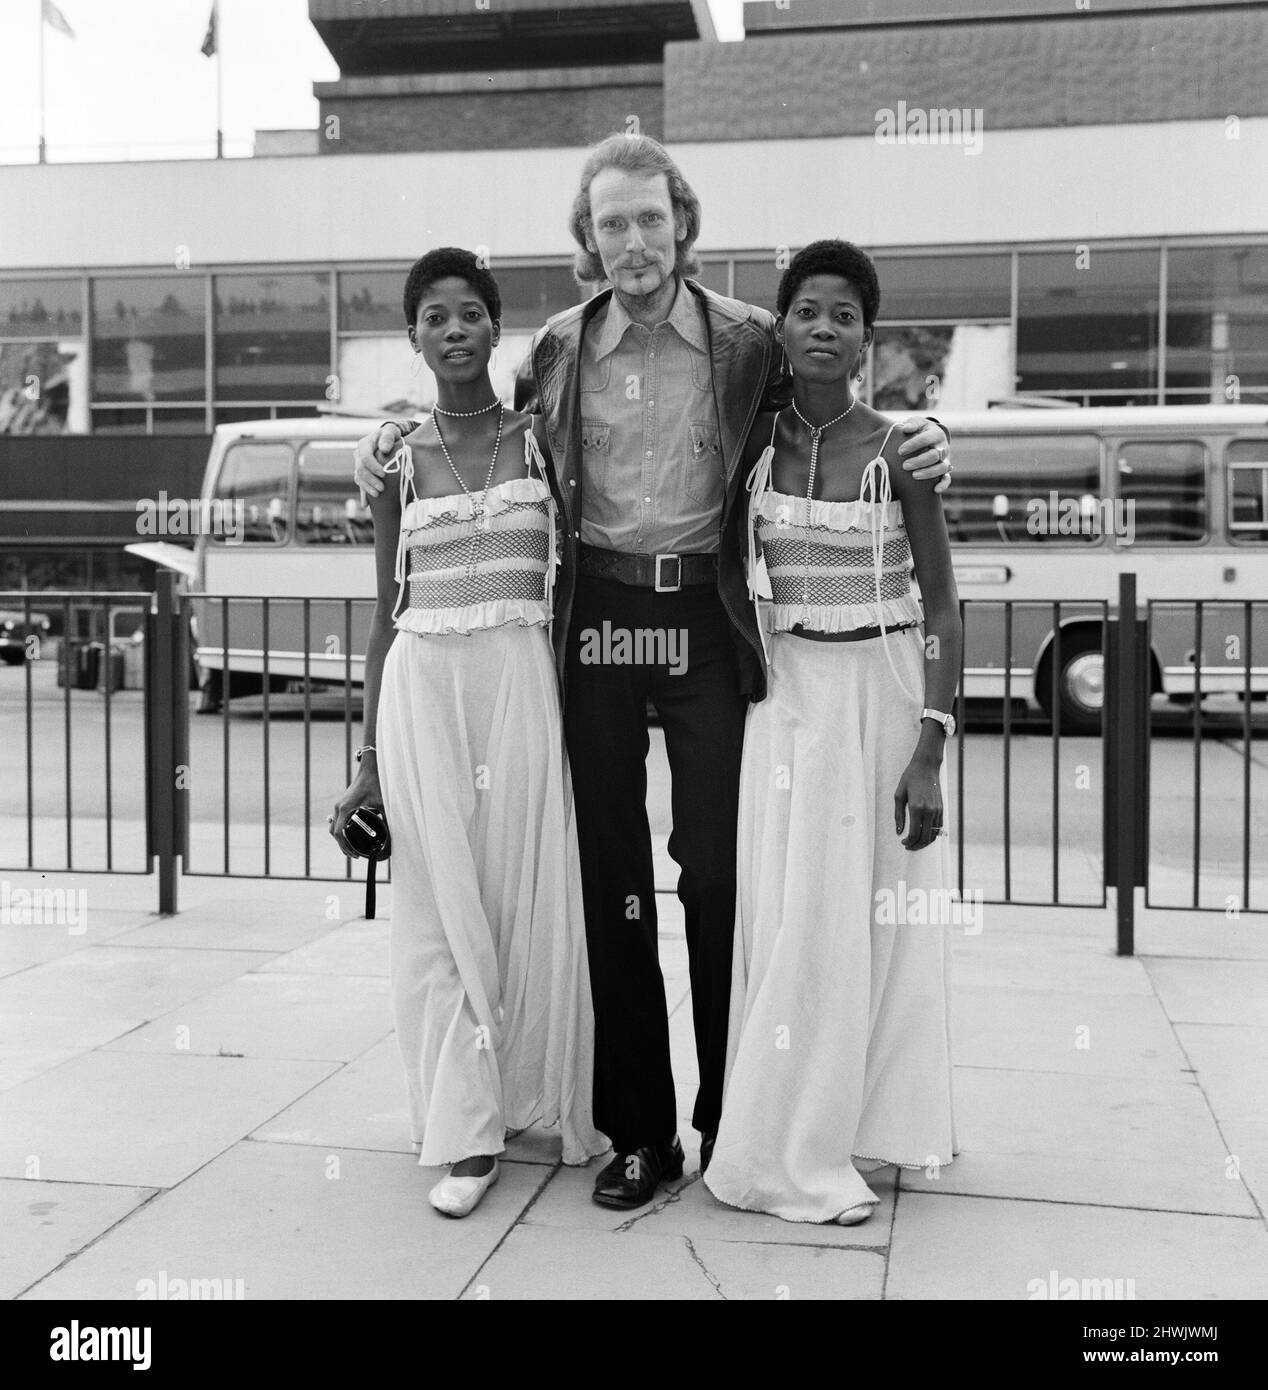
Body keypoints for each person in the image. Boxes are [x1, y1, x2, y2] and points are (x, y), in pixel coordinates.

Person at [353, 134, 952, 1211]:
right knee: (609, 877)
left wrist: (931, 437)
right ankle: (639, 1132)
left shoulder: (751, 340)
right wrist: (381, 438)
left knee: (719, 876)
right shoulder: (555, 349)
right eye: (611, 224)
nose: (632, 242)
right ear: (587, 241)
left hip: (705, 621)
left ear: (682, 227)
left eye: (649, 219)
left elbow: (836, 404)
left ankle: (730, 1118)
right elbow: (473, 425)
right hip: (597, 616)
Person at [330, 247, 607, 1220]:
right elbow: (385, 611)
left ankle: (527, 1098)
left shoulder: (543, 445)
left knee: (526, 904)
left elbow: (573, 586)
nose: (454, 330)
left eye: (470, 314)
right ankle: (467, 1130)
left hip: (521, 689)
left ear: (496, 327)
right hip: (423, 693)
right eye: (434, 317)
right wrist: (368, 761)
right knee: (439, 912)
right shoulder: (394, 460)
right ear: (412, 336)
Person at [704, 240, 961, 1226]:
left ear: (867, 339)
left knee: (876, 925)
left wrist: (930, 747)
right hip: (786, 704)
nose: (822, 328)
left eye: (843, 315)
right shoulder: (748, 450)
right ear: (781, 328)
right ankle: (786, 1154)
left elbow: (942, 606)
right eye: (805, 311)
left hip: (883, 700)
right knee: (797, 924)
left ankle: (858, 1129)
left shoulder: (901, 452)